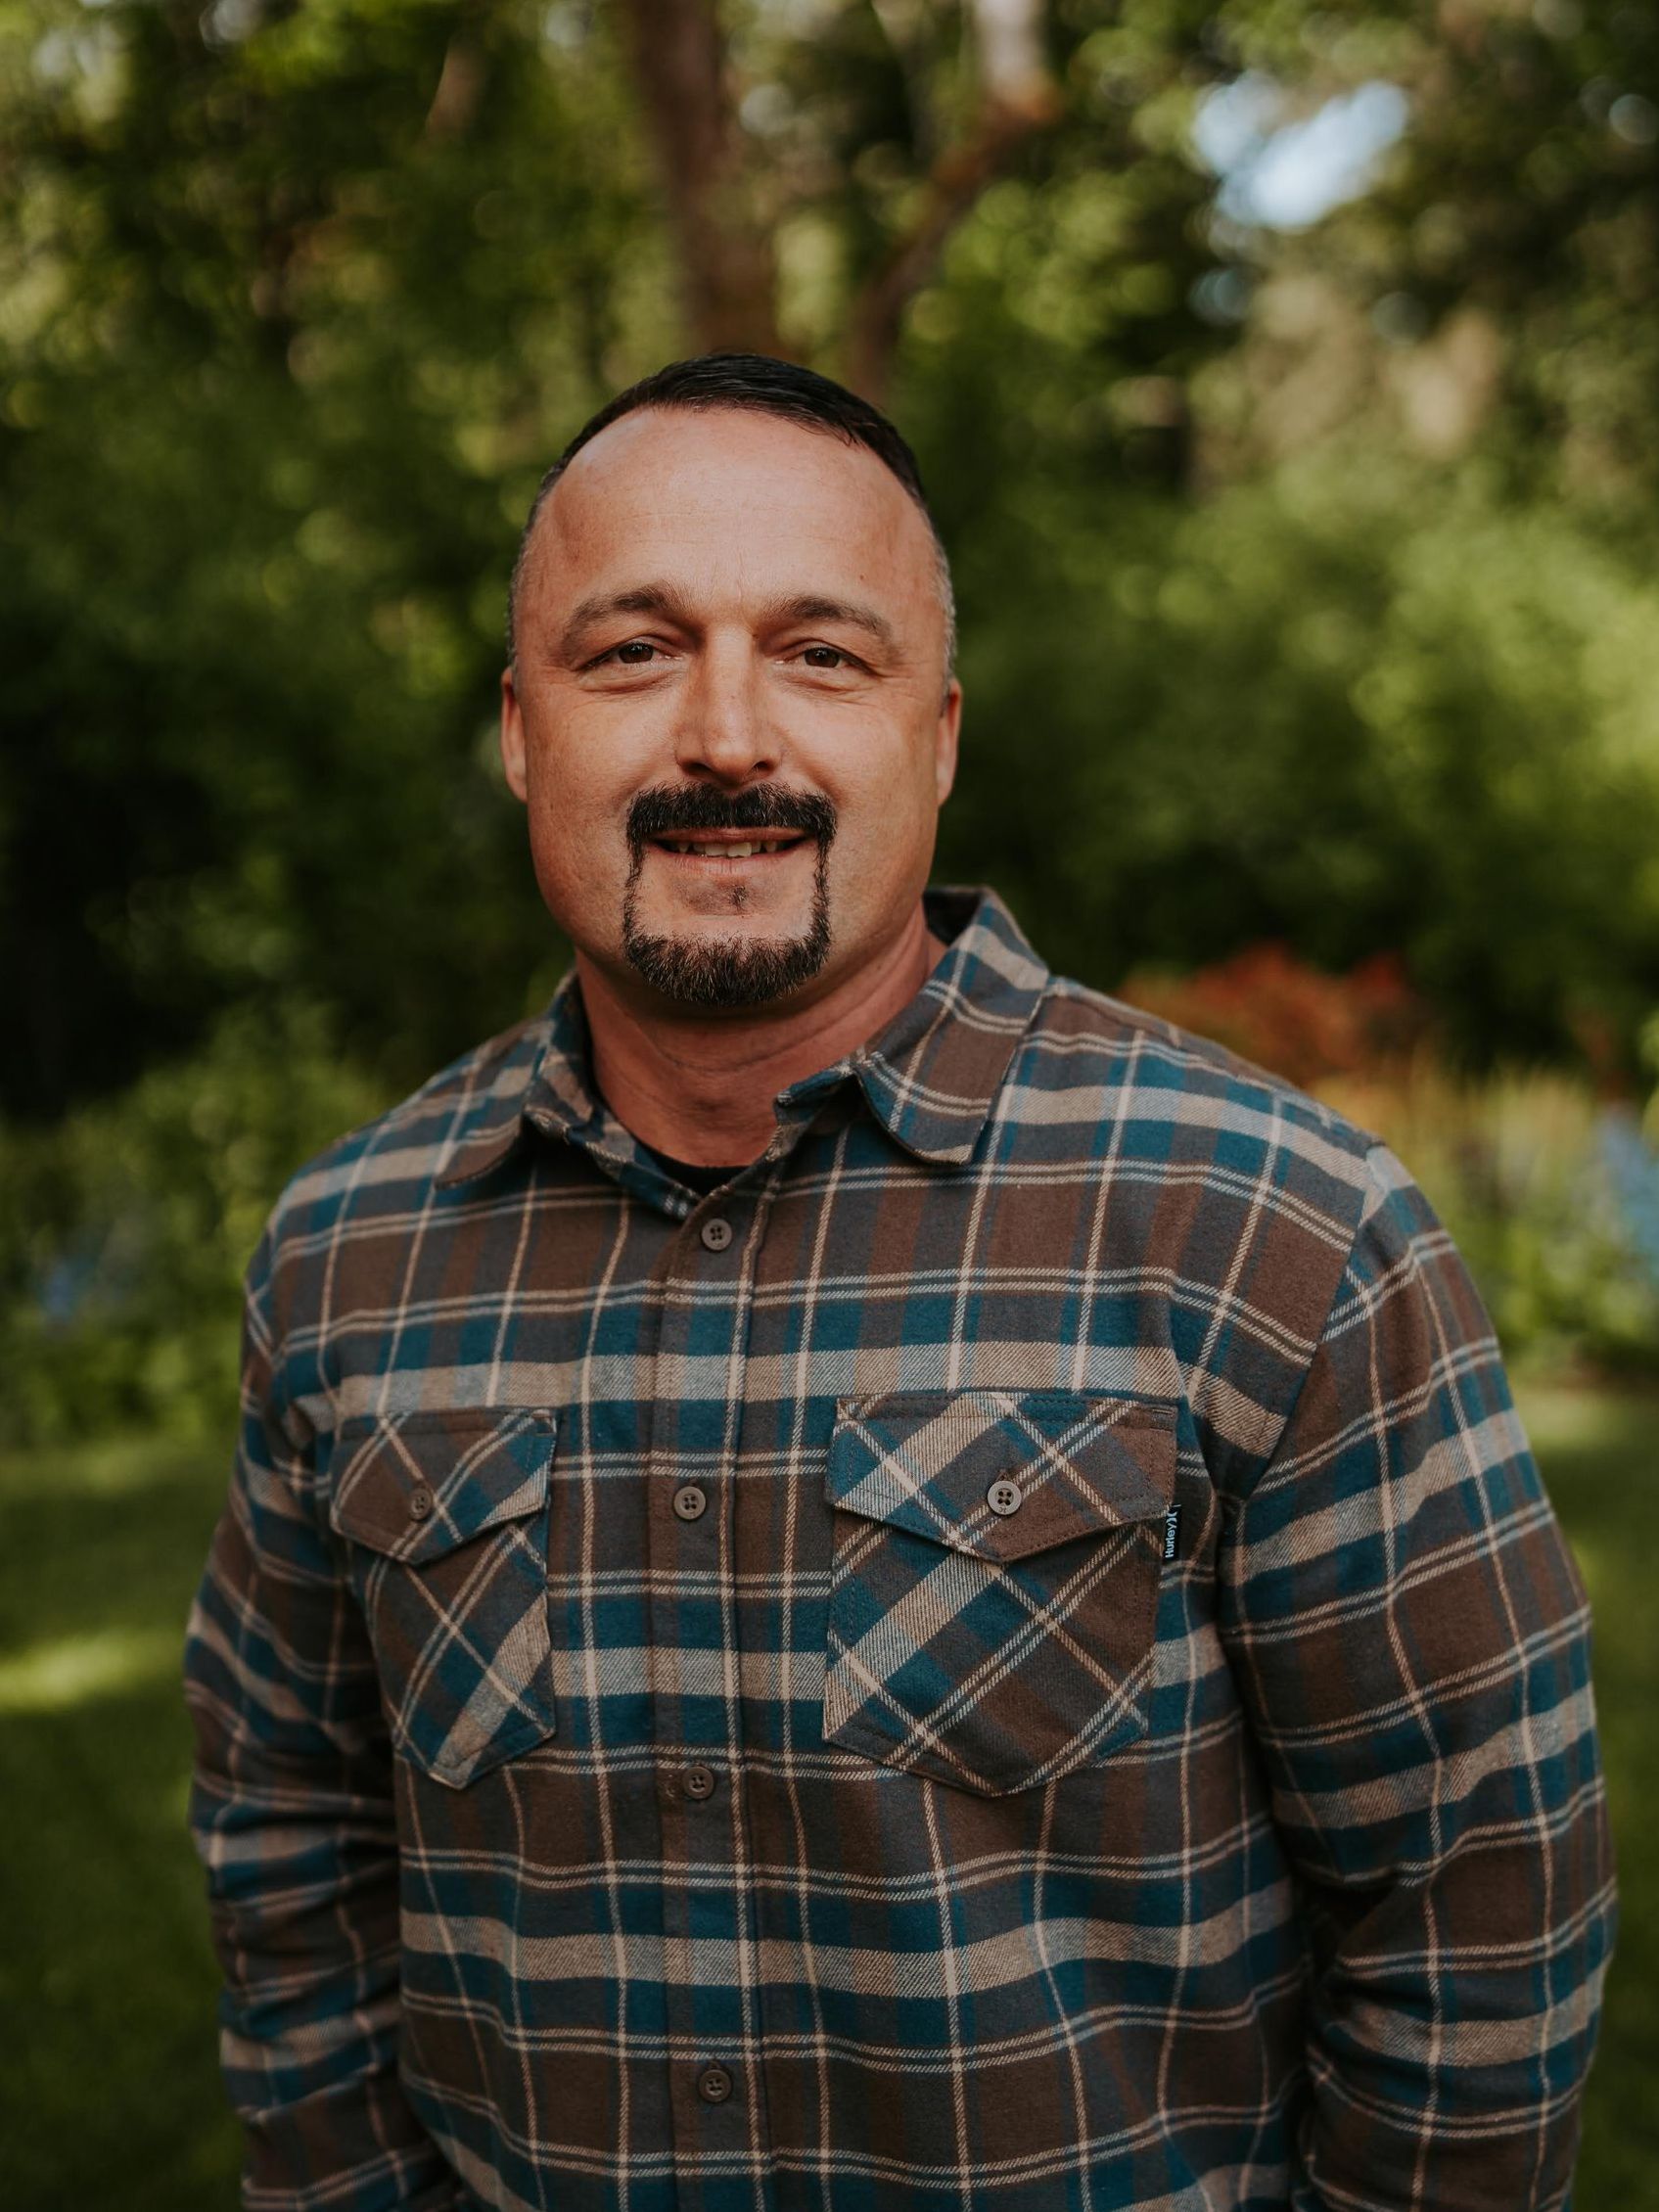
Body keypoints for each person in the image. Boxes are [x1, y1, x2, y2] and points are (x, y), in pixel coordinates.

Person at [184, 352, 1615, 2212]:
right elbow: (288, 1835)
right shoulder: (345, 1258)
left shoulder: (1272, 1228)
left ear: (936, 738)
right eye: (631, 653)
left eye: (820, 655)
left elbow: (1480, 1898)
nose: (723, 735)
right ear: (524, 730)